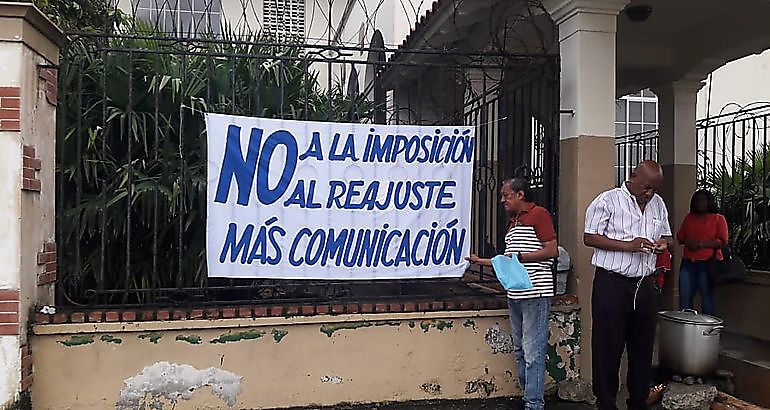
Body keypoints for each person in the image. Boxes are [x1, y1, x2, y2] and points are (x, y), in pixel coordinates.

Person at [583, 161, 673, 410]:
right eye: (646, 188)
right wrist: (629, 246)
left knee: (642, 349)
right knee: (607, 349)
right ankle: (606, 403)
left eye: (654, 189)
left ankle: (638, 403)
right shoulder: (607, 201)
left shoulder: (658, 204)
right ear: (632, 177)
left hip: (644, 285)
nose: (650, 194)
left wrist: (664, 244)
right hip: (612, 284)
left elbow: (666, 235)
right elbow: (589, 236)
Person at [467, 177, 558, 410]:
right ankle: (529, 395)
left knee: (533, 351)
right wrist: (482, 262)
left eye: (506, 195)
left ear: (520, 194)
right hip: (516, 293)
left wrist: (521, 258)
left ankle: (534, 403)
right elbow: (509, 261)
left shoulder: (539, 215)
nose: (502, 200)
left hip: (535, 292)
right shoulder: (513, 222)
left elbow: (551, 250)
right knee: (520, 348)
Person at [676, 189, 728, 315]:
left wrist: (701, 245)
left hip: (707, 263)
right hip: (688, 262)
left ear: (709, 202)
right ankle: (686, 329)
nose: (700, 203)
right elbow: (680, 237)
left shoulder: (718, 219)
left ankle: (708, 330)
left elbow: (723, 241)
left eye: (703, 200)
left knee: (707, 297)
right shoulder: (689, 218)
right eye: (697, 200)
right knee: (684, 298)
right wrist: (689, 242)